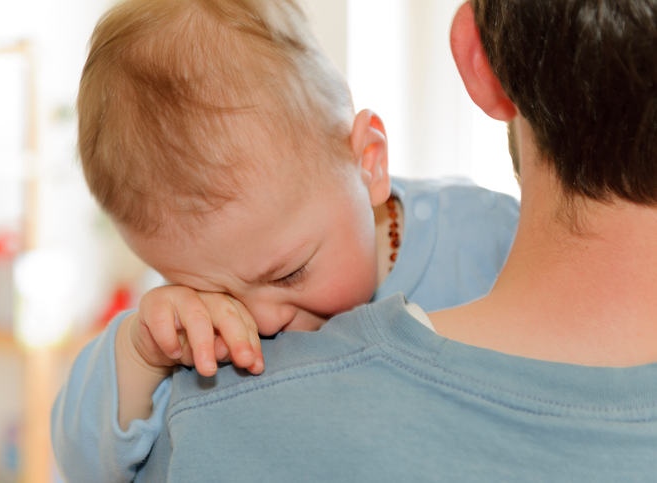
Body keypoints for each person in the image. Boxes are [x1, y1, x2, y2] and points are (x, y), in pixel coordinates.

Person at [51, 0, 520, 480]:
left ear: (368, 163)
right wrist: (139, 354)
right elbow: (82, 465)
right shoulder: (191, 337)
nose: (261, 319)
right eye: (215, 293)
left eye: (288, 272)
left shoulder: (492, 243)